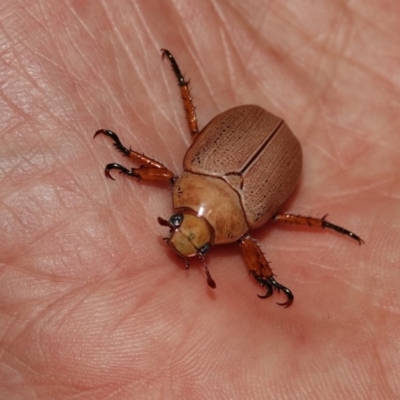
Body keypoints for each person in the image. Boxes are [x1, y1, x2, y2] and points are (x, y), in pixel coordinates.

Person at [1, 1, 399, 399]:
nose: (183, 236)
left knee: (201, 147)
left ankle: (167, 115)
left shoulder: (233, 221)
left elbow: (175, 171)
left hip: (270, 151)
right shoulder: (235, 219)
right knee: (237, 181)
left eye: (181, 228)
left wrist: (131, 158)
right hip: (266, 149)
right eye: (191, 236)